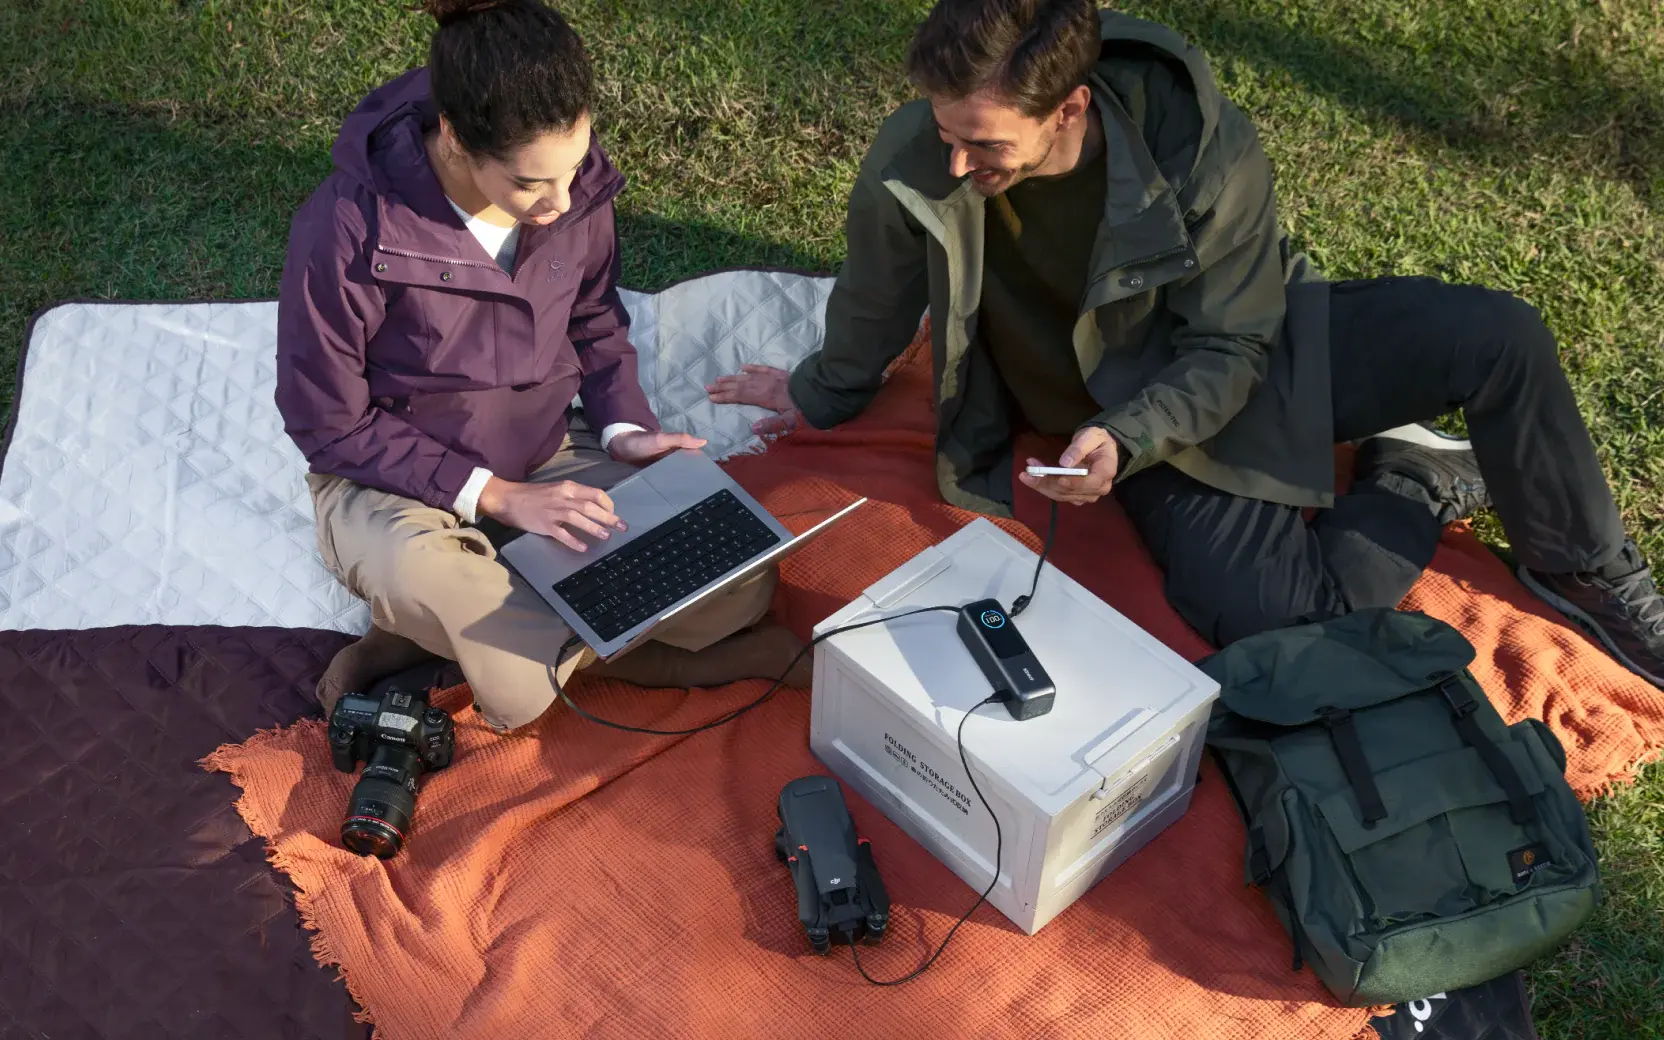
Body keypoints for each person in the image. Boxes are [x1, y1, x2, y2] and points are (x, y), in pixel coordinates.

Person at [707, 0, 1664, 687]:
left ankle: (1582, 562)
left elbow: (1235, 340)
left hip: (1246, 343)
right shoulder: (918, 154)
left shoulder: (1201, 144)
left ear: (1069, 108)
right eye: (946, 131)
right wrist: (822, 390)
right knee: (1287, 629)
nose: (957, 162)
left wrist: (1135, 430)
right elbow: (877, 297)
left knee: (1498, 333)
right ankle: (1409, 476)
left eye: (986, 145)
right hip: (1128, 413)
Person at [277, 0, 807, 732]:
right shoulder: (346, 230)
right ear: (456, 139)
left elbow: (594, 321)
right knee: (514, 680)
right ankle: (668, 665)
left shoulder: (572, 190)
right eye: (532, 184)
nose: (564, 202)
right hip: (391, 482)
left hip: (546, 453)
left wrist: (624, 429)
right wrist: (493, 496)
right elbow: (326, 424)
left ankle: (435, 635)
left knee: (740, 579)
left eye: (575, 166)